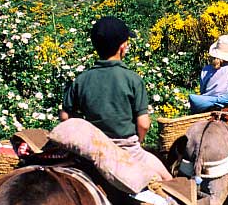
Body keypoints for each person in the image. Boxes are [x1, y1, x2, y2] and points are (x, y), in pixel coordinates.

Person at [60, 16, 161, 167]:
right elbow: (144, 124)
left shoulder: (81, 80)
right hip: (126, 148)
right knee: (167, 180)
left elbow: (65, 117)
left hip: (91, 148)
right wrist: (138, 142)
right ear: (123, 47)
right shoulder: (133, 79)